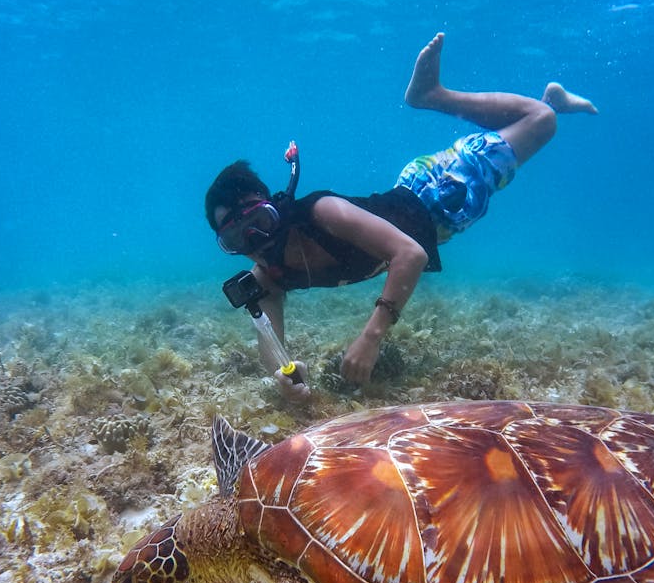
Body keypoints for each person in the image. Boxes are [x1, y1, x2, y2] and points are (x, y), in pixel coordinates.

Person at [206, 32, 597, 399]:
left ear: (276, 208)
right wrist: (284, 376)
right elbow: (271, 343)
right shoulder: (269, 276)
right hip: (425, 203)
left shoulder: (320, 212)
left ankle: (433, 95)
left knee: (541, 123)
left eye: (259, 223)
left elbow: (410, 255)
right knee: (531, 126)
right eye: (237, 239)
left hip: (440, 193)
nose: (257, 243)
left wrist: (371, 337)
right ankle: (553, 100)